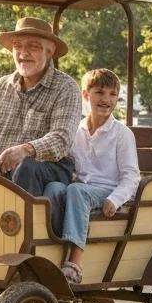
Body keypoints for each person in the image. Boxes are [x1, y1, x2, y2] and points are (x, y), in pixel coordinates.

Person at [0, 17, 80, 196]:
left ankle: (23, 223)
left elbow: (61, 138)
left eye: (32, 46)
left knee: (26, 168)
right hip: (1, 165)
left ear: (50, 51)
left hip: (49, 168)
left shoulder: (66, 87)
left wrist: (26, 150)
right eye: (17, 46)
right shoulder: (1, 85)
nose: (23, 53)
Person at [43, 69, 140, 284]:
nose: (106, 100)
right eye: (100, 93)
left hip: (106, 189)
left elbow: (131, 177)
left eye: (112, 94)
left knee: (76, 191)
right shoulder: (75, 130)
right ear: (86, 95)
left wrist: (114, 199)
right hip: (78, 189)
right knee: (53, 188)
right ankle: (53, 249)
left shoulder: (122, 134)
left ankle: (75, 260)